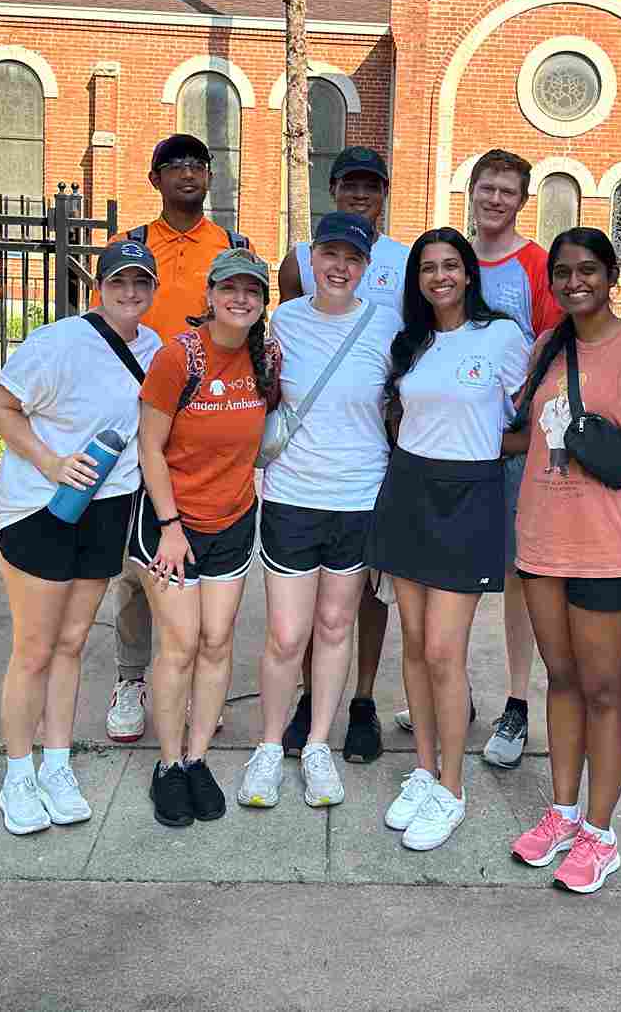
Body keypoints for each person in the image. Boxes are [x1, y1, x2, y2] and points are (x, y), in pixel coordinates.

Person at [503, 229, 621, 894]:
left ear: (611, 275)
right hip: (543, 540)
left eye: (588, 270)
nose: (575, 282)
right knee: (561, 679)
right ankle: (563, 812)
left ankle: (600, 835)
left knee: (607, 692)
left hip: (610, 551)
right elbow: (523, 434)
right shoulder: (550, 349)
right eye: (564, 273)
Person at [0, 240, 163, 835]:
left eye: (141, 282)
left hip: (107, 509)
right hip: (41, 509)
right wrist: (52, 462)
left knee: (73, 642)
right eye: (119, 282)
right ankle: (17, 773)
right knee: (35, 645)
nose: (129, 293)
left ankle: (57, 763)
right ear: (99, 286)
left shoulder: (155, 348)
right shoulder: (58, 342)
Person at [396, 149, 561, 771]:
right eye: (486, 187)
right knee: (440, 589)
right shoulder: (449, 258)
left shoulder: (536, 265)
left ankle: (517, 700)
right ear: (472, 191)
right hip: (448, 447)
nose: (495, 199)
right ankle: (453, 695)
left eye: (507, 191)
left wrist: (524, 433)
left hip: (506, 440)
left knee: (518, 575)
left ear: (522, 200)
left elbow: (547, 350)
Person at [366, 229, 529, 850]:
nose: (440, 276)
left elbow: (532, 415)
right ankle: (425, 770)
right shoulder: (410, 343)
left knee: (442, 650)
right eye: (428, 268)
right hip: (408, 490)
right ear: (418, 279)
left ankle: (453, 789)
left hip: (468, 498)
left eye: (450, 266)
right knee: (412, 643)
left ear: (468, 274)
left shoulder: (502, 337)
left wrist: (492, 450)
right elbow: (400, 416)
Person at [239, 212, 404, 810]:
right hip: (292, 496)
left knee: (336, 627)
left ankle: (316, 746)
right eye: (329, 255)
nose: (339, 267)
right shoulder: (282, 321)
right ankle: (265, 746)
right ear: (311, 260)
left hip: (359, 498)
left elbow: (405, 400)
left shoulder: (386, 326)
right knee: (287, 634)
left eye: (352, 258)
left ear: (366, 267)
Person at [95, 133, 253, 748]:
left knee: (202, 590)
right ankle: (132, 680)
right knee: (137, 573)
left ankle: (191, 691)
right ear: (154, 177)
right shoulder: (132, 249)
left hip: (205, 427)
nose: (188, 173)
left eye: (198, 164)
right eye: (174, 165)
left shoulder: (230, 248)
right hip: (144, 422)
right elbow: (109, 330)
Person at [132, 247, 279, 828]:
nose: (240, 298)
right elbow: (149, 447)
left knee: (218, 643)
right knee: (181, 645)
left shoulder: (264, 358)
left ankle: (197, 760)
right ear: (211, 296)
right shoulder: (178, 358)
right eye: (229, 289)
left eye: (252, 291)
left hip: (234, 519)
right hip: (173, 525)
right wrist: (169, 526)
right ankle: (167, 766)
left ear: (262, 303)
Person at [274, 146, 408, 765]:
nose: (360, 193)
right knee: (305, 612)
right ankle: (309, 699)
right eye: (349, 184)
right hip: (301, 480)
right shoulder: (296, 269)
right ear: (332, 189)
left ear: (383, 194)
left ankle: (361, 700)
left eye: (371, 186)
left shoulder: (403, 264)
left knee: (364, 602)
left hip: (366, 472)